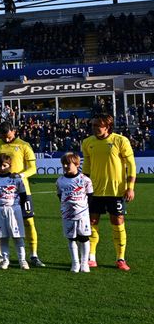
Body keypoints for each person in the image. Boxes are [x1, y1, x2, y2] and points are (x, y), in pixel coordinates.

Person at [81, 114, 137, 271]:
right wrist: (83, 187)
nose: (95, 128)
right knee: (91, 223)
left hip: (116, 191)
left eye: (98, 125)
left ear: (107, 127)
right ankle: (91, 257)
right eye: (93, 125)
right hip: (94, 191)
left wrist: (130, 187)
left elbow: (131, 165)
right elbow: (86, 167)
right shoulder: (87, 142)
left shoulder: (120, 140)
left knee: (117, 222)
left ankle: (120, 258)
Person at [0, 122, 42, 267]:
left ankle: (33, 255)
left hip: (22, 191)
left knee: (29, 222)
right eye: (4, 137)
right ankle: (0, 255)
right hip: (2, 194)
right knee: (0, 225)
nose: (7, 139)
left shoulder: (24, 145)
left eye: (9, 136)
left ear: (14, 131)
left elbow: (33, 168)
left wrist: (20, 176)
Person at [0, 154, 28, 270]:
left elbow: (23, 195)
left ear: (10, 165)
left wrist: (16, 206)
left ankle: (22, 260)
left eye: (5, 165)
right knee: (2, 237)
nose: (2, 168)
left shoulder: (16, 179)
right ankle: (5, 260)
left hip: (14, 209)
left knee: (17, 236)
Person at [56, 152, 93, 273]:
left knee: (83, 237)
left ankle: (84, 263)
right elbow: (60, 195)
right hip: (67, 214)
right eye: (64, 164)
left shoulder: (85, 180)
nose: (66, 166)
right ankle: (75, 263)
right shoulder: (60, 181)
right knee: (71, 238)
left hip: (83, 214)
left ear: (77, 164)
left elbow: (90, 196)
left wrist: (87, 211)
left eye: (68, 164)